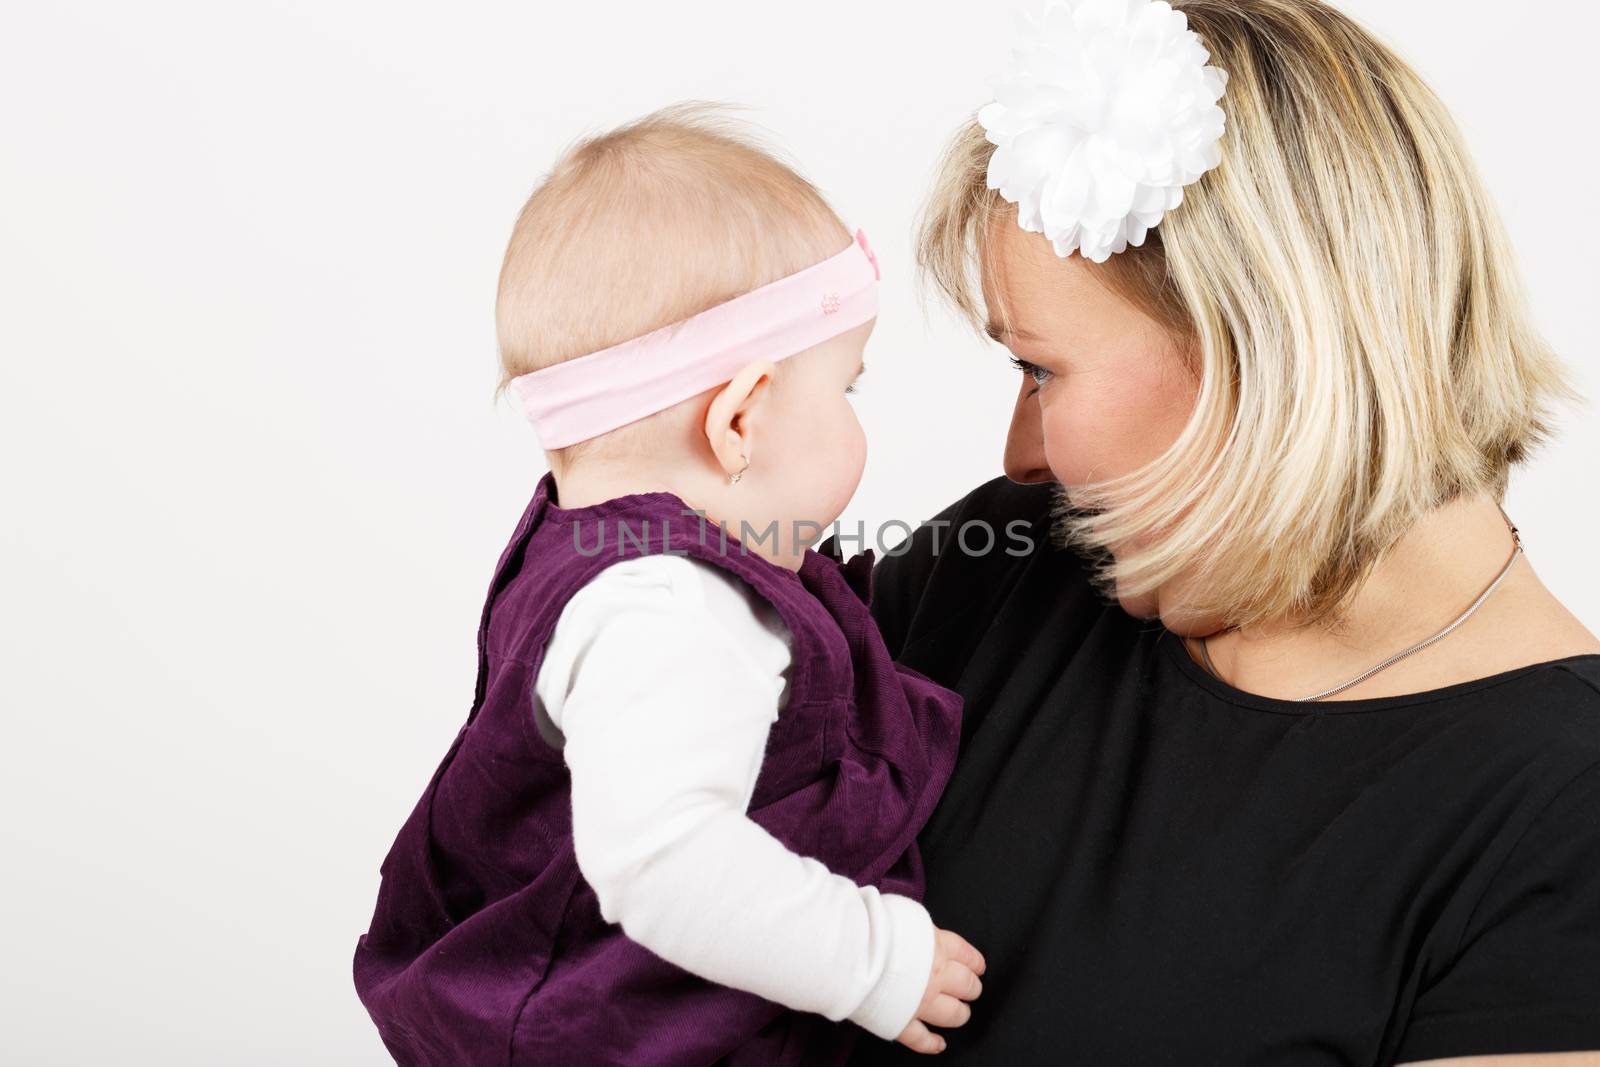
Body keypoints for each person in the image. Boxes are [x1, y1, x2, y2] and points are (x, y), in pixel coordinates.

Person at [846, 0, 1600, 1063]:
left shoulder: (1563, 815)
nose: (1020, 454)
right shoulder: (1001, 567)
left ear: (1260, 347)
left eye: (1037, 368)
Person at [351, 105, 985, 1065]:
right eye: (846, 388)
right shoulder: (672, 609)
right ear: (740, 421)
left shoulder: (607, 561)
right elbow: (664, 860)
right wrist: (871, 960)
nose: (857, 420)